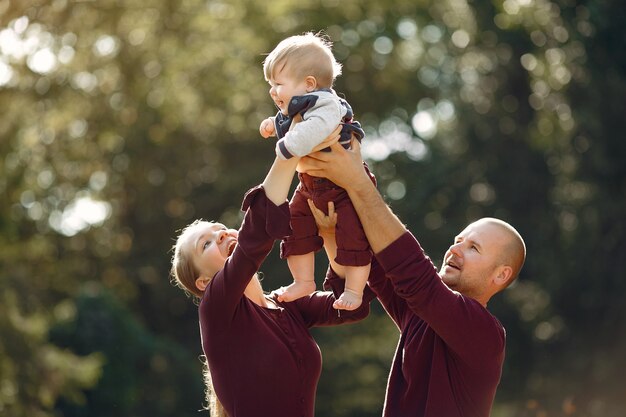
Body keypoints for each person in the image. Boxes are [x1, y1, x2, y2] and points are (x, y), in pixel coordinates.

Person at [300, 139, 527, 417]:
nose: (455, 249)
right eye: (458, 240)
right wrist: (331, 232)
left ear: (501, 275)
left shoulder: (486, 335)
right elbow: (370, 269)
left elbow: (414, 273)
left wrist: (358, 181)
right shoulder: (420, 314)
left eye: (473, 248)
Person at [169, 127, 376, 417]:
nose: (221, 235)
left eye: (220, 229)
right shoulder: (215, 310)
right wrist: (291, 148)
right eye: (206, 244)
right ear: (204, 282)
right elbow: (254, 239)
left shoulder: (287, 305)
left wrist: (329, 235)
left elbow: (354, 305)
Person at [259, 32, 375, 311]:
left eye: (278, 84)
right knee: (294, 225)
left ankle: (355, 290)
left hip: (343, 186)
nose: (273, 91)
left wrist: (290, 145)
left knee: (353, 233)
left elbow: (315, 128)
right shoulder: (297, 106)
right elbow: (289, 121)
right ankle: (303, 280)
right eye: (271, 85)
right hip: (311, 185)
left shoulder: (326, 104)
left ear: (309, 84)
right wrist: (273, 125)